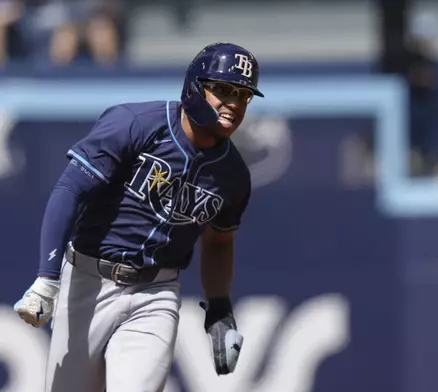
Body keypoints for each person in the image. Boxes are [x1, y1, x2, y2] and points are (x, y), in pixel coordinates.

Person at [13, 42, 263, 392]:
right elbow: (70, 190)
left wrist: (220, 309)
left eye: (244, 95)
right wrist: (46, 279)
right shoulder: (134, 124)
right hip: (88, 280)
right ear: (195, 86)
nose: (234, 104)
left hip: (156, 292)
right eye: (222, 89)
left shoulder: (233, 175)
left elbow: (220, 241)